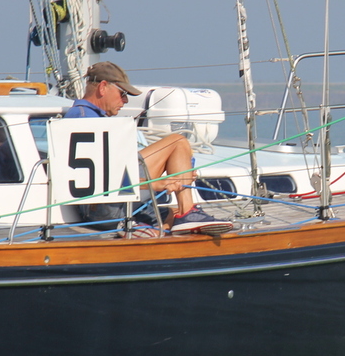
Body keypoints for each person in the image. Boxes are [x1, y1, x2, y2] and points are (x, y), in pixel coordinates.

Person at [64, 61, 233, 234]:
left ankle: (165, 223)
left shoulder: (85, 116)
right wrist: (154, 184)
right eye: (122, 94)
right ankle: (187, 213)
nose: (125, 100)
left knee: (171, 214)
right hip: (101, 210)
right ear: (103, 87)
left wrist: (181, 173)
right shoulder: (86, 120)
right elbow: (98, 180)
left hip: (105, 207)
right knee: (177, 142)